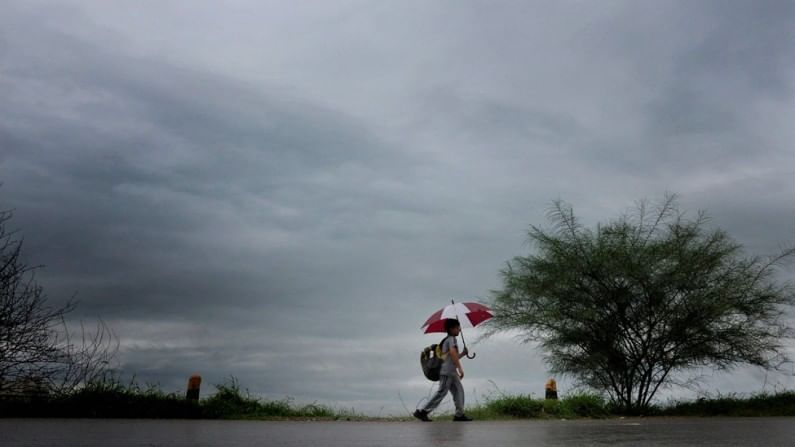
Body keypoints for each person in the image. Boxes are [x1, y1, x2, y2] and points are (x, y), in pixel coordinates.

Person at [414, 318, 473, 422]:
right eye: (458, 327)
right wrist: (460, 368)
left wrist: (463, 354)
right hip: (446, 372)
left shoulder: (449, 340)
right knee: (441, 392)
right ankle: (422, 411)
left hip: (452, 372)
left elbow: (452, 357)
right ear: (451, 329)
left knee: (459, 391)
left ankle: (459, 414)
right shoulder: (451, 339)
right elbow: (453, 353)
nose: (459, 329)